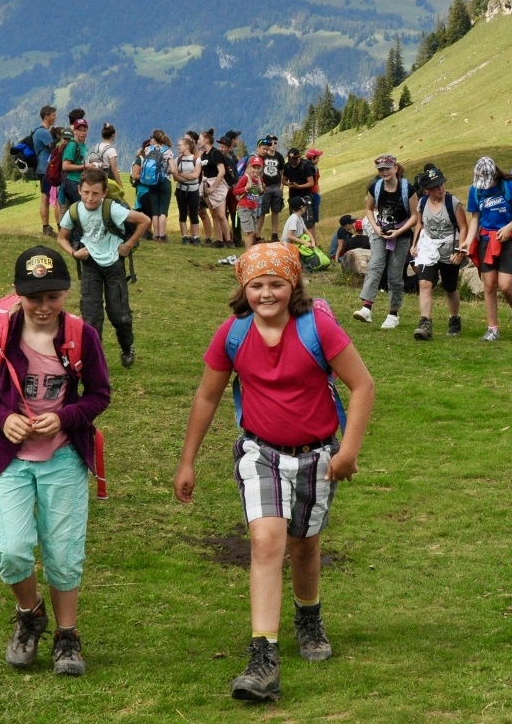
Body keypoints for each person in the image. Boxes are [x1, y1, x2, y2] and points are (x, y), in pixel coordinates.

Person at [173, 243, 375, 703]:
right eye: (257, 285)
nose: (267, 294)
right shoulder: (232, 333)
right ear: (243, 289)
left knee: (305, 547)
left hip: (317, 456)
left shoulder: (317, 327)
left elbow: (363, 385)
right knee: (267, 541)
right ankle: (262, 657)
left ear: (294, 286)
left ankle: (308, 616)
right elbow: (207, 397)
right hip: (259, 451)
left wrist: (347, 452)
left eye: (277, 284)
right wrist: (187, 460)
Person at [0, 245, 111, 677]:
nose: (44, 307)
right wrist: (1, 418)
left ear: (66, 294)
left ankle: (67, 636)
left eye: (53, 297)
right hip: (7, 459)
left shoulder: (83, 336)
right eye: (34, 297)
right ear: (17, 294)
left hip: (63, 457)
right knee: (11, 551)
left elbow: (100, 396)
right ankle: (30, 613)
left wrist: (63, 417)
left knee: (63, 554)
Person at [57, 168, 150, 367]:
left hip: (114, 265)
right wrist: (74, 253)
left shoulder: (112, 209)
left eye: (96, 193)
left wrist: (128, 245)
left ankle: (127, 348)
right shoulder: (74, 210)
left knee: (119, 314)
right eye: (86, 192)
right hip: (90, 265)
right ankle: (95, 361)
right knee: (91, 317)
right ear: (80, 190)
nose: (90, 198)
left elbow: (145, 220)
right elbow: (61, 237)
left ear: (104, 193)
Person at [461, 156, 512, 341]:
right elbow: (475, 217)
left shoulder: (508, 186)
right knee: (489, 284)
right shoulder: (475, 190)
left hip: (509, 239)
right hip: (486, 239)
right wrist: (468, 240)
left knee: (505, 285)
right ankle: (492, 328)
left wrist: (508, 228)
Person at [353, 154, 419, 329]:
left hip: (402, 234)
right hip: (381, 231)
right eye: (381, 169)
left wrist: (398, 232)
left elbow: (415, 216)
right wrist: (375, 229)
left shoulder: (408, 189)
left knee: (394, 275)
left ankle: (393, 313)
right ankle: (366, 307)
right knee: (375, 266)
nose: (384, 172)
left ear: (395, 168)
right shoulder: (375, 187)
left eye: (387, 168)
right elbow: (368, 209)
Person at [410, 166, 468, 340]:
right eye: (436, 186)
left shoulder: (453, 203)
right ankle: (425, 323)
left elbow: (464, 226)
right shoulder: (422, 203)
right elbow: (420, 224)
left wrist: (460, 251)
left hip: (450, 247)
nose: (440, 188)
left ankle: (454, 318)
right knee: (425, 284)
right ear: (427, 190)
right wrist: (414, 245)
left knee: (449, 287)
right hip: (428, 247)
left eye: (441, 184)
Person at [199, 129, 233, 248]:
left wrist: (213, 187)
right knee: (214, 214)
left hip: (217, 185)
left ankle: (228, 240)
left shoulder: (215, 153)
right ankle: (219, 240)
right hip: (207, 183)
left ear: (206, 140)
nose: (198, 141)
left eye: (200, 139)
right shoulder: (204, 154)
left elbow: (222, 171)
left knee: (221, 215)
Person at [140, 130, 175, 243]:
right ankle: (162, 235)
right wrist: (167, 171)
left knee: (155, 210)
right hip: (164, 181)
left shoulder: (148, 149)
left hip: (151, 182)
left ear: (153, 138)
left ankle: (155, 235)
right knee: (163, 210)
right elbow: (173, 170)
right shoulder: (168, 151)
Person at [174, 135, 204, 245]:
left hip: (192, 190)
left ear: (186, 146)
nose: (177, 147)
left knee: (193, 213)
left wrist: (181, 174)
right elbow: (175, 177)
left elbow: (196, 175)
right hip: (181, 189)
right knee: (182, 213)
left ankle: (196, 236)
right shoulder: (178, 159)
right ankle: (185, 236)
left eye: (179, 145)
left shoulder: (196, 160)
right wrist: (188, 175)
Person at [231, 156, 266, 250]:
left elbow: (261, 191)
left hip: (253, 208)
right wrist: (246, 188)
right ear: (250, 167)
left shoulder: (260, 179)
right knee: (249, 232)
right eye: (254, 167)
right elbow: (235, 191)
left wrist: (261, 190)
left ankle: (250, 251)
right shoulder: (245, 178)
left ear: (261, 168)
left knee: (253, 232)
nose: (256, 170)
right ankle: (248, 253)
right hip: (244, 207)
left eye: (258, 168)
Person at [34, 106, 58, 236]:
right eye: (53, 115)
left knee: (46, 196)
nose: (55, 117)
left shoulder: (39, 131)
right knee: (46, 197)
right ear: (47, 116)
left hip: (42, 168)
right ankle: (46, 227)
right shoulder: (44, 133)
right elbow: (53, 149)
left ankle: (46, 227)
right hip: (45, 169)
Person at [258, 139, 285, 242]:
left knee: (275, 211)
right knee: (262, 211)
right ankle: (257, 234)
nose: (273, 145)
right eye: (271, 143)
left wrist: (281, 187)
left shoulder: (279, 156)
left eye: (275, 143)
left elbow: (283, 171)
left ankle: (274, 233)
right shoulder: (262, 156)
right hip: (266, 187)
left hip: (276, 186)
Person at [59, 119, 90, 207]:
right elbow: (65, 166)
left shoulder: (83, 145)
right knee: (84, 206)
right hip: (72, 181)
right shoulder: (72, 145)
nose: (83, 133)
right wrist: (84, 167)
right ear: (74, 131)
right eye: (80, 130)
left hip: (80, 181)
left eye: (84, 130)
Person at [305, 148, 323, 239]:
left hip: (314, 194)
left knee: (312, 221)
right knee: (310, 221)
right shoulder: (310, 168)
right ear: (312, 158)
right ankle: (312, 240)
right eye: (317, 157)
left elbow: (316, 181)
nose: (319, 159)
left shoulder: (314, 168)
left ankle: (313, 240)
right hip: (312, 195)